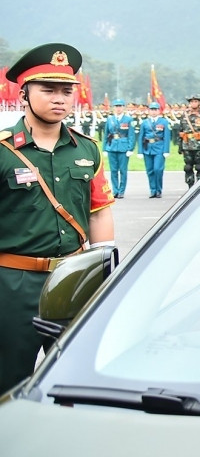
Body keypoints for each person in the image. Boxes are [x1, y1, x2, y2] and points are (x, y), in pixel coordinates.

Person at [0, 43, 115, 392]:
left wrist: (105, 268)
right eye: (48, 90)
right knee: (9, 376)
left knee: (74, 377)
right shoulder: (4, 150)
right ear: (24, 93)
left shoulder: (87, 149)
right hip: (12, 282)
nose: (59, 99)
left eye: (67, 91)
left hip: (72, 278)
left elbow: (99, 210)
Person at [102, 98, 136, 198]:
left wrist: (130, 148)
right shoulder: (110, 119)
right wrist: (104, 148)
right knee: (113, 170)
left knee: (123, 170)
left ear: (123, 108)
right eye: (116, 106)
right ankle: (115, 190)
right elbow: (106, 134)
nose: (118, 108)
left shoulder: (128, 119)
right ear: (114, 108)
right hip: (112, 146)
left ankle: (121, 191)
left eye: (120, 106)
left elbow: (131, 135)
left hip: (123, 147)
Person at [177, 93, 200, 188]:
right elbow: (181, 131)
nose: (194, 103)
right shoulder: (185, 115)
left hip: (199, 145)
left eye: (196, 101)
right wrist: (180, 146)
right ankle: (190, 186)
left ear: (199, 102)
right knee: (188, 167)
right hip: (187, 145)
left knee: (199, 167)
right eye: (192, 102)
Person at [137, 101, 170, 198]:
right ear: (148, 111)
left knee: (158, 169)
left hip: (159, 147)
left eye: (155, 109)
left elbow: (167, 137)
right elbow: (141, 137)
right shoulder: (145, 122)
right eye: (152, 110)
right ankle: (152, 190)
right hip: (148, 148)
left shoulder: (164, 122)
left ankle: (159, 190)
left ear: (159, 111)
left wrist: (166, 150)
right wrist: (140, 151)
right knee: (150, 170)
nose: (153, 112)